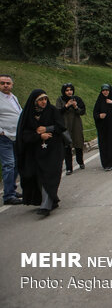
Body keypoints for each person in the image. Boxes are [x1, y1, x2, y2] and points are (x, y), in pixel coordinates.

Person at [16, 90, 65, 216]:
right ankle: (50, 200)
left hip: (53, 150)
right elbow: (24, 134)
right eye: (40, 100)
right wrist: (38, 135)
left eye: (45, 99)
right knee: (39, 177)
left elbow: (61, 126)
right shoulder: (28, 115)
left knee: (50, 175)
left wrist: (47, 129)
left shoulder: (52, 110)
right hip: (36, 152)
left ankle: (46, 205)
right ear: (34, 101)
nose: (44, 102)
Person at [0, 74, 23, 205]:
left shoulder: (13, 97)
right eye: (2, 83)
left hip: (16, 136)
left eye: (8, 83)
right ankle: (8, 196)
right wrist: (1, 132)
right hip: (5, 137)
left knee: (16, 165)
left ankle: (12, 190)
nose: (5, 85)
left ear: (12, 84)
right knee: (9, 165)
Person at [55, 83, 86, 175]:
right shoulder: (60, 100)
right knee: (67, 146)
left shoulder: (77, 99)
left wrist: (76, 107)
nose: (69, 92)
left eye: (71, 90)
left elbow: (82, 111)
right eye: (67, 90)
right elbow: (57, 112)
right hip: (65, 125)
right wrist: (66, 106)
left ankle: (80, 161)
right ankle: (69, 168)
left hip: (76, 124)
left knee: (78, 143)